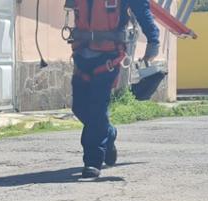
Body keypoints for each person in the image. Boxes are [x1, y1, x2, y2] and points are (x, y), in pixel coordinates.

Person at [69, 0, 161, 179]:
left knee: (97, 108)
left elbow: (142, 9)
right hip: (82, 55)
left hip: (109, 57)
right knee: (79, 108)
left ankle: (92, 162)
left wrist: (153, 40)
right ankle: (109, 133)